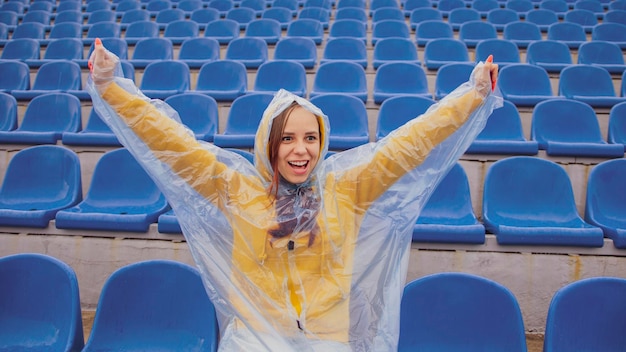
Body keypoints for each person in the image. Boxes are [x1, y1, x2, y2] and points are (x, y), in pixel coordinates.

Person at [87, 38, 501, 351]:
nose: (300, 149)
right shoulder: (235, 188)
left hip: (327, 343)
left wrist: (472, 96)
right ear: (268, 144)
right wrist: (112, 87)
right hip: (254, 342)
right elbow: (171, 143)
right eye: (286, 138)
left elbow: (410, 143)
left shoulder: (348, 187)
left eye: (310, 138)